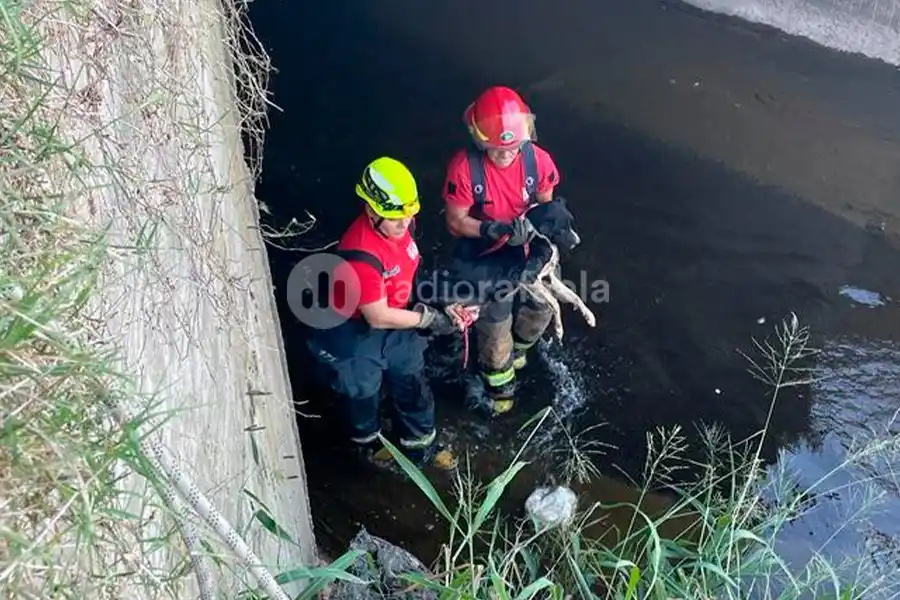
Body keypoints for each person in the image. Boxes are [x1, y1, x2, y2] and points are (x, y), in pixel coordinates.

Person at [306, 156, 474, 470]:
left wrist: (440, 303)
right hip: (355, 332)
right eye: (396, 218)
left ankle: (421, 445)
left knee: (412, 382)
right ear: (370, 210)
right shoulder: (360, 255)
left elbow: (410, 273)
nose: (405, 224)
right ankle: (368, 446)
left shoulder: (398, 226)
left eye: (410, 215)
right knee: (362, 393)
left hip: (398, 318)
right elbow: (377, 316)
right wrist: (429, 319)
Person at [442, 86, 563, 415]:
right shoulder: (465, 169)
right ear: (480, 140)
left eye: (513, 148)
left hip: (526, 248)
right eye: (497, 150)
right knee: (495, 331)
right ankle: (500, 389)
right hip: (486, 256)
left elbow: (545, 206)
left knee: (543, 307)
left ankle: (521, 349)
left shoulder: (538, 161)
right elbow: (455, 222)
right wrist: (490, 229)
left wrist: (547, 234)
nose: (507, 154)